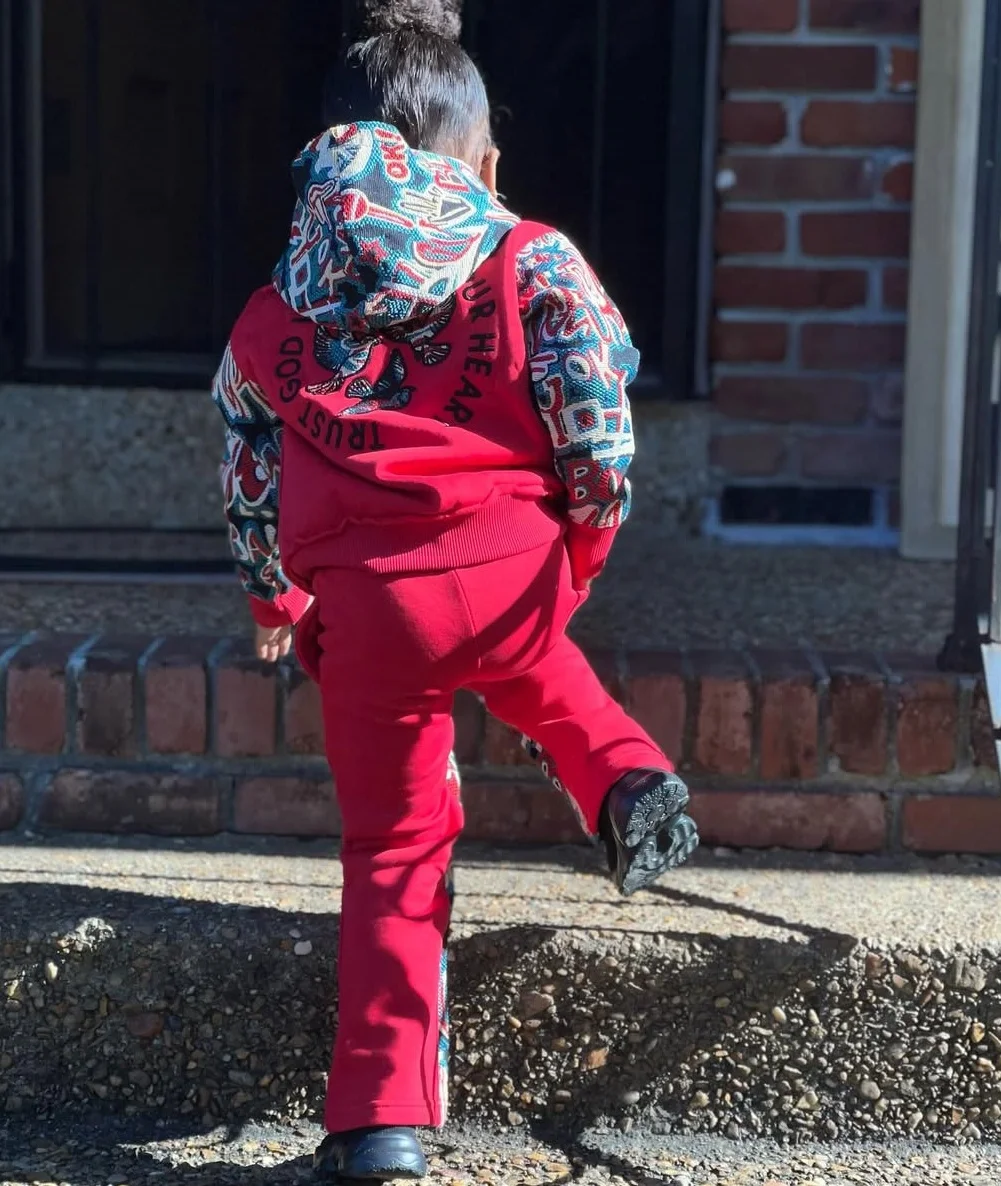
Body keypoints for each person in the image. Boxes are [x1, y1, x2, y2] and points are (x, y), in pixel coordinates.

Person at [210, 13, 699, 1181]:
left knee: (393, 848)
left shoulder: (271, 315)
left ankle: (378, 1123)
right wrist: (578, 555)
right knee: (537, 662)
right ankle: (626, 777)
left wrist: (274, 600)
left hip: (369, 610)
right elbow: (598, 431)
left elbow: (246, 473)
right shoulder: (532, 257)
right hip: (511, 562)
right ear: (482, 163)